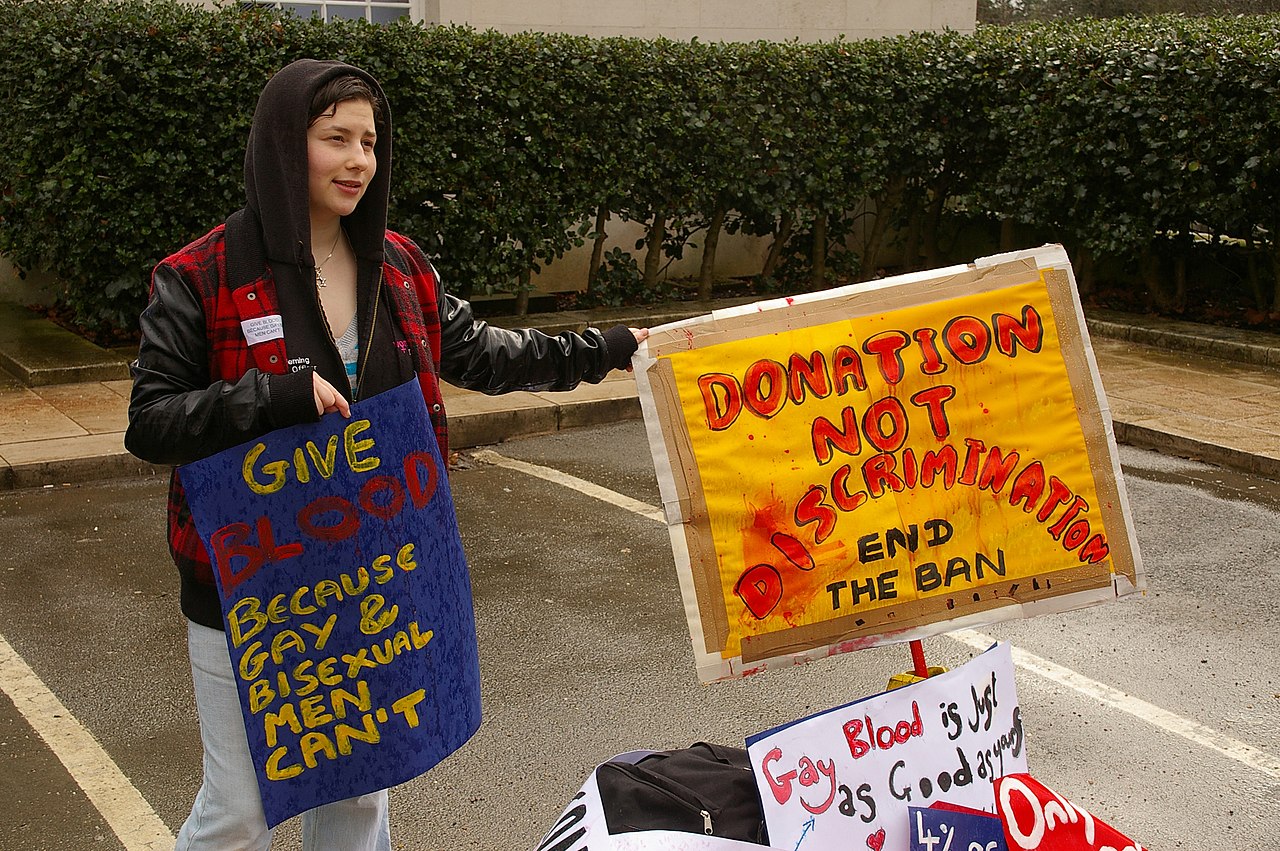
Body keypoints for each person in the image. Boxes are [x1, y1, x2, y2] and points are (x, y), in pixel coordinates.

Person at [125, 58, 647, 850]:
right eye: (336, 137)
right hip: (250, 594)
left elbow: (489, 354)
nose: (359, 160)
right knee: (240, 808)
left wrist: (612, 347)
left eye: (369, 141)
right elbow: (151, 421)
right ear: (281, 144)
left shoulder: (400, 268)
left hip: (370, 576)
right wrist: (272, 397)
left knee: (361, 796)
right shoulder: (200, 276)